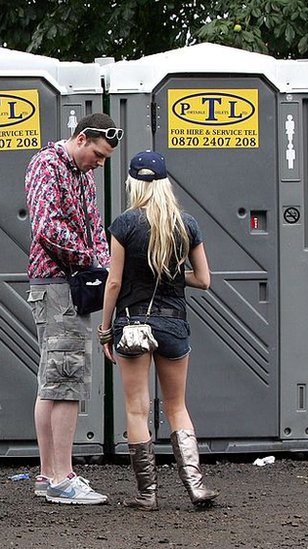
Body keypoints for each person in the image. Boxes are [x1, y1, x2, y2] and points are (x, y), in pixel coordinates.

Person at [99, 150, 219, 510]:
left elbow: (114, 283)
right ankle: (196, 487)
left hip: (133, 324)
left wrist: (106, 330)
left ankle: (147, 494)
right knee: (177, 407)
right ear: (165, 182)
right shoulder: (187, 224)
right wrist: (168, 273)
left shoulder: (124, 224)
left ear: (134, 183)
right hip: (174, 324)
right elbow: (204, 279)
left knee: (137, 410)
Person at [23, 113, 120, 505]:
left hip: (70, 286)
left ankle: (49, 476)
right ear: (81, 139)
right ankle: (63, 478)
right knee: (66, 381)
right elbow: (46, 227)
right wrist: (91, 262)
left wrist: (101, 262)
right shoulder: (48, 165)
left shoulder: (83, 175)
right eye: (97, 154)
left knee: (54, 379)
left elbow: (95, 227)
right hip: (59, 285)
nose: (99, 163)